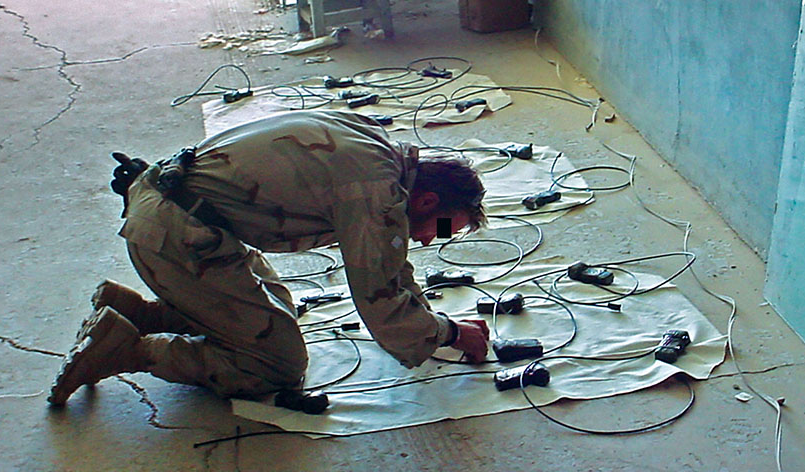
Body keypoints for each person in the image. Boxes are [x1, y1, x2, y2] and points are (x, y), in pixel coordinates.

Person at [49, 109, 491, 410]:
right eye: (443, 227)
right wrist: (451, 334)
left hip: (177, 207)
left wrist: (430, 319)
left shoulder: (378, 147)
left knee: (278, 306)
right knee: (278, 365)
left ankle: (141, 314)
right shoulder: (374, 194)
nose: (433, 241)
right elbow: (382, 305)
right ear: (428, 198)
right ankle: (126, 349)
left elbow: (391, 267)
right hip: (174, 238)